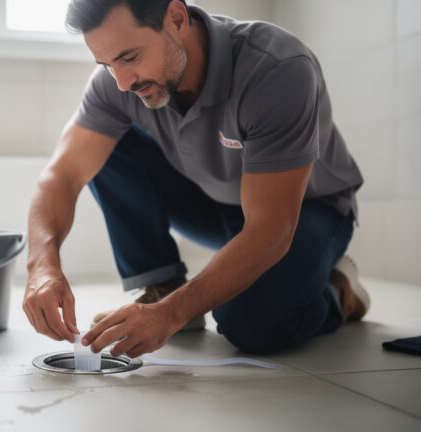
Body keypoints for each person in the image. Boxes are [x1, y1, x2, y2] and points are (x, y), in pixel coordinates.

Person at [22, 0, 368, 357]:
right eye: (108, 66)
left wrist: (171, 314)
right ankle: (162, 286)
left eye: (129, 57)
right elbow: (62, 174)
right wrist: (41, 267)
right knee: (104, 145)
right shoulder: (117, 86)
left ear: (176, 19)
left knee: (250, 323)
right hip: (217, 205)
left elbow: (271, 229)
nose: (123, 83)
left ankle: (338, 290)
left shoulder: (276, 68)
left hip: (306, 211)